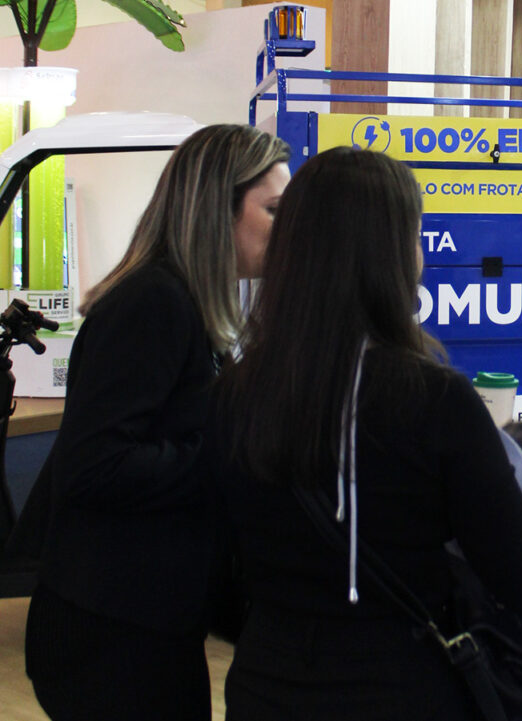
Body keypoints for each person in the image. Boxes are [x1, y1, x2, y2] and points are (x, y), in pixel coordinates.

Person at [210, 146, 522, 720]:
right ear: (395, 254)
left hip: (267, 687)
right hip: (400, 689)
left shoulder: (233, 390)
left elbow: (217, 575)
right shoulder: (433, 399)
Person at [23, 124, 291, 721]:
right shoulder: (153, 303)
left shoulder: (184, 303)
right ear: (216, 209)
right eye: (274, 210)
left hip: (144, 620)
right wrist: (235, 451)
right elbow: (95, 466)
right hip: (110, 630)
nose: (287, 228)